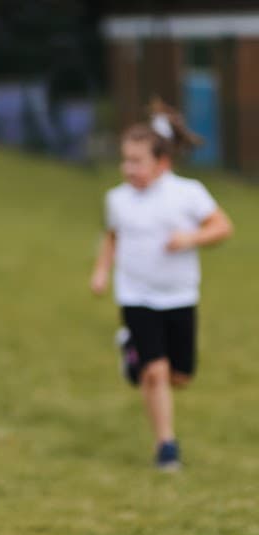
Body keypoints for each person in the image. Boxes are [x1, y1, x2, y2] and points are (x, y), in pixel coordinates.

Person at [90, 99, 233, 470]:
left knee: (179, 376)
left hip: (179, 296)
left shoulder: (188, 193)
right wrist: (102, 271)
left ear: (162, 163)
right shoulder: (117, 199)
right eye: (125, 160)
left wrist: (191, 239)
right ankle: (166, 446)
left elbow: (223, 227)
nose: (128, 168)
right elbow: (112, 237)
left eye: (138, 161)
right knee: (155, 374)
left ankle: (130, 352)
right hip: (136, 294)